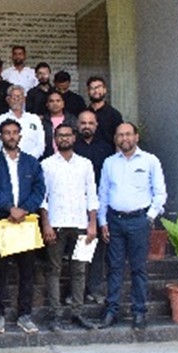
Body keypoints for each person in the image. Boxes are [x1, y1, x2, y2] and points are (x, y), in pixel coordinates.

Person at [98, 122, 167, 331]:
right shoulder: (109, 163)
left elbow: (160, 193)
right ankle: (112, 311)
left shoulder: (150, 161)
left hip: (139, 221)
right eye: (120, 135)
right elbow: (103, 193)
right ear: (116, 139)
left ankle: (139, 312)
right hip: (115, 221)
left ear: (136, 137)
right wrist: (103, 221)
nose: (124, 138)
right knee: (114, 268)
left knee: (139, 269)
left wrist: (150, 216)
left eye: (128, 134)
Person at [0, 119, 45, 335]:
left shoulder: (31, 163)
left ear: (20, 136)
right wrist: (9, 207)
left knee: (27, 272)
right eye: (7, 133)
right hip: (2, 222)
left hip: (26, 222)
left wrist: (24, 209)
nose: (11, 136)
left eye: (14, 133)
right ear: (0, 137)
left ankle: (25, 315)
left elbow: (40, 190)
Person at [40, 123, 98, 332]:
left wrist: (93, 223)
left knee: (79, 271)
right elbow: (42, 198)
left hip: (81, 224)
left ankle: (77, 312)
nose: (64, 139)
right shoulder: (46, 165)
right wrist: (46, 223)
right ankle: (55, 315)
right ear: (54, 139)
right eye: (60, 136)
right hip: (56, 223)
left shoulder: (85, 164)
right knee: (53, 270)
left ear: (74, 138)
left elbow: (91, 194)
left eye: (67, 135)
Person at [74, 111, 115, 304]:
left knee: (97, 248)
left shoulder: (107, 149)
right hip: (74, 205)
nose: (87, 126)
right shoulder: (71, 148)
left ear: (96, 125)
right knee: (76, 249)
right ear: (77, 125)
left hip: (99, 204)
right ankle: (76, 292)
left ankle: (95, 288)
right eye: (83, 123)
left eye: (90, 123)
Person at [0, 85, 45, 159]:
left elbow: (41, 144)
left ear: (24, 99)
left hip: (32, 162)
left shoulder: (34, 119)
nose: (16, 99)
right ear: (8, 99)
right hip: (7, 161)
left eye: (19, 97)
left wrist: (29, 159)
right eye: (13, 97)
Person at [86, 76, 123, 147]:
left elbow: (119, 138)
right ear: (88, 91)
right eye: (92, 88)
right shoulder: (83, 115)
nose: (96, 91)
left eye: (98, 87)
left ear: (105, 90)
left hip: (109, 155)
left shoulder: (114, 115)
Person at [41, 91, 78, 159]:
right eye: (51, 101)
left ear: (63, 103)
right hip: (49, 159)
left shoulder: (72, 120)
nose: (55, 104)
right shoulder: (42, 122)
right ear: (47, 104)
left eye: (58, 101)